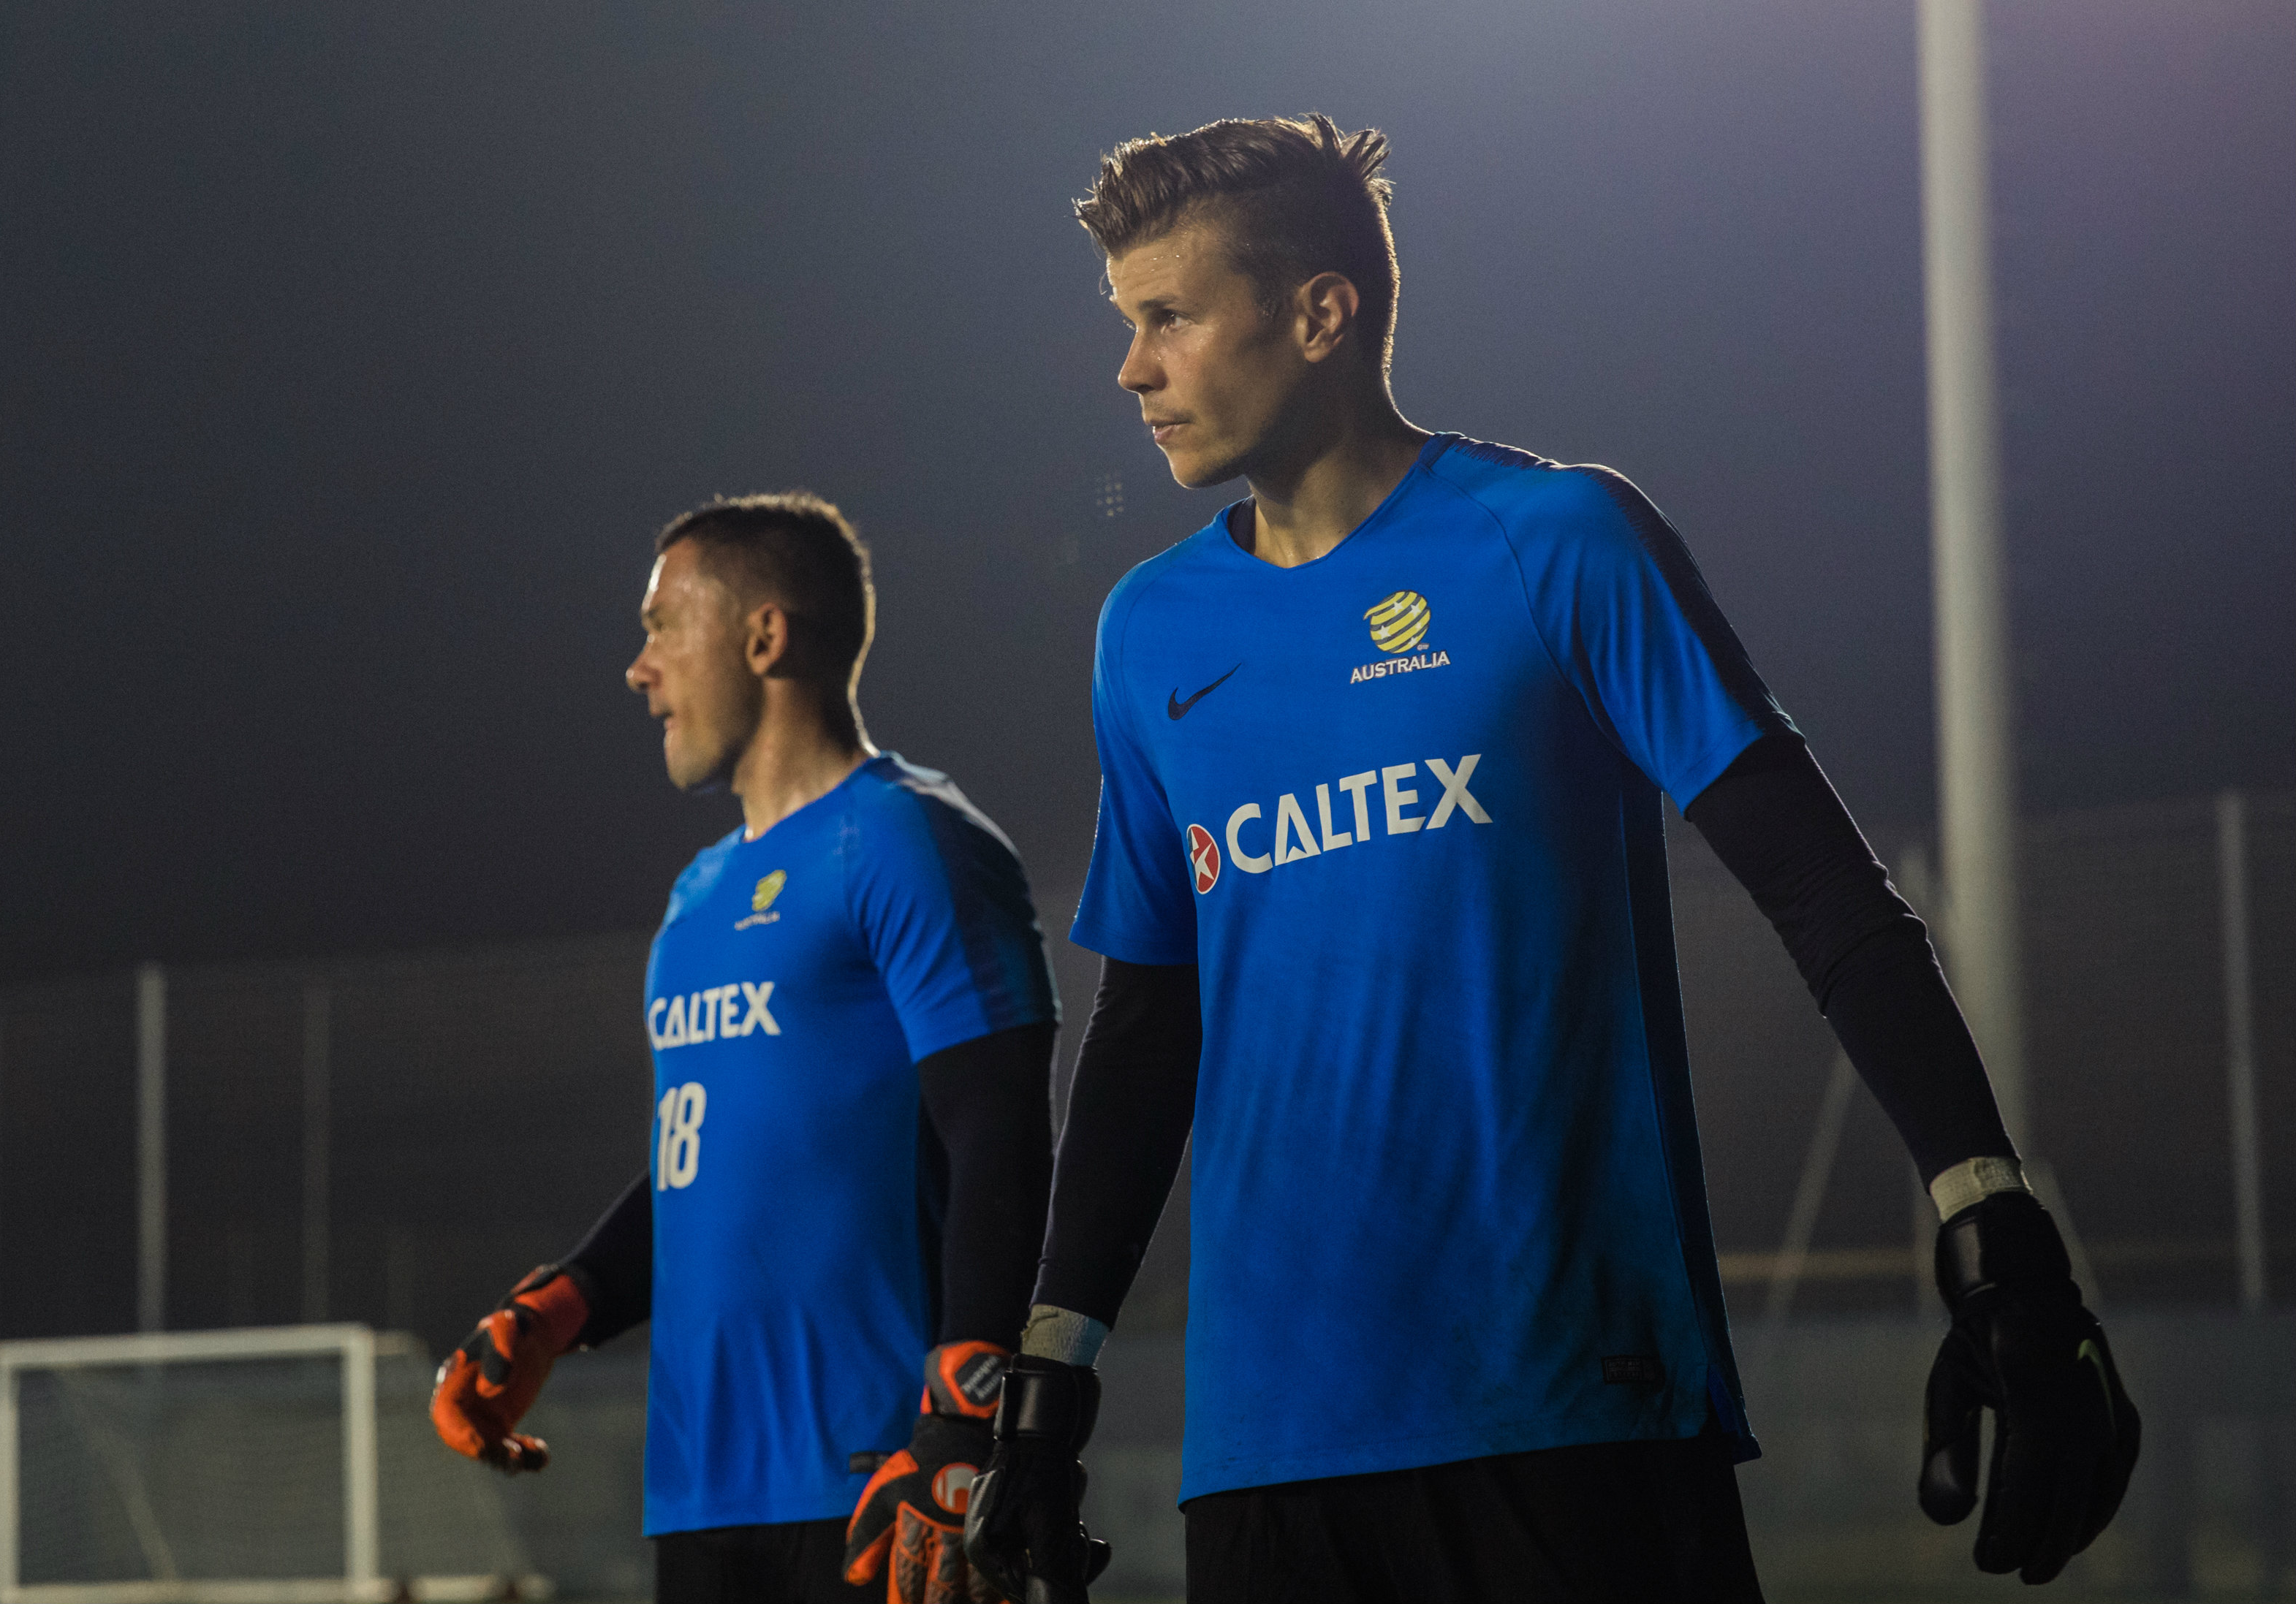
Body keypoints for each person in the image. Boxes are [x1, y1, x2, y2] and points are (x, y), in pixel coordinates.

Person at [961, 117, 2139, 1603]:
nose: (1130, 370)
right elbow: (1146, 1028)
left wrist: (1995, 1228)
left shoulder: (1555, 540)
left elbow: (1828, 898)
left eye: (1169, 319)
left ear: (1321, 312)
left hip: (1575, 1410)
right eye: (1128, 326)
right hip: (1270, 1452)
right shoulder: (1148, 635)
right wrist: (1048, 1388)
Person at [431, 492, 1057, 1604]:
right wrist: (563, 1305)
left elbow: (999, 1133)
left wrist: (966, 1421)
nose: (640, 668)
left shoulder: (910, 840)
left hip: (879, 1482)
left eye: (663, 624)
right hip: (703, 1491)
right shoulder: (697, 897)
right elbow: (709, 1162)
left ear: (763, 635)